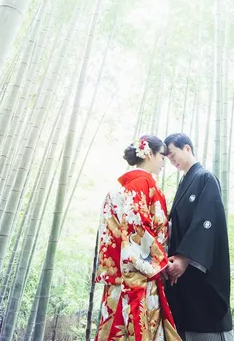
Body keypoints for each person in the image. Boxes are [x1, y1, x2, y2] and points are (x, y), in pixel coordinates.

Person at [94, 134, 181, 341]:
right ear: (149, 154)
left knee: (114, 330)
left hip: (120, 274)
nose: (163, 163)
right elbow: (137, 229)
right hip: (138, 276)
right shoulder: (142, 183)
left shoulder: (120, 186)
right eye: (162, 157)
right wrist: (161, 263)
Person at [162, 133, 233, 341]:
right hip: (183, 275)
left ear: (187, 148)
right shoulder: (184, 182)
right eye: (167, 158)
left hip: (198, 268)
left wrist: (184, 258)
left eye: (173, 154)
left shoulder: (205, 178)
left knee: (205, 318)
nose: (171, 160)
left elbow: (206, 220)